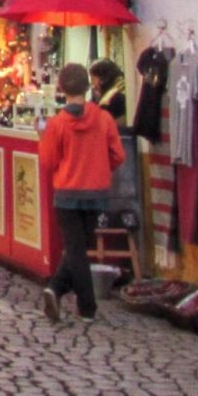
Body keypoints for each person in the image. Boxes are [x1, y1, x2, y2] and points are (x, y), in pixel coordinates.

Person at [38, 63, 126, 323]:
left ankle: (82, 303)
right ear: (88, 87)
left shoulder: (57, 125)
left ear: (62, 89)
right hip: (95, 192)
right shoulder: (103, 119)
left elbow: (48, 161)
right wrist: (100, 169)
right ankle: (62, 292)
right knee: (80, 247)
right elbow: (118, 155)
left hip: (67, 193)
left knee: (76, 249)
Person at [90, 58, 127, 124]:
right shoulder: (96, 98)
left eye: (93, 79)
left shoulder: (117, 99)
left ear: (103, 79)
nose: (92, 84)